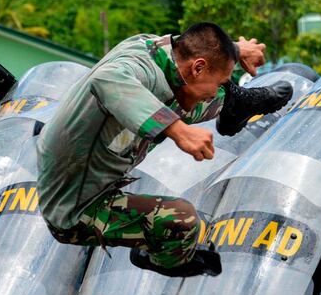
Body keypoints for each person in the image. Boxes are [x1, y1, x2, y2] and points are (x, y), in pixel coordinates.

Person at [36, 22, 294, 277]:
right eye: (221, 81)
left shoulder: (160, 51)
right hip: (74, 208)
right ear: (198, 67)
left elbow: (192, 45)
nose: (218, 87)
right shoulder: (133, 71)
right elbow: (107, 77)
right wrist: (178, 130)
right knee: (183, 221)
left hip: (95, 166)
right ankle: (158, 256)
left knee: (194, 94)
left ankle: (234, 104)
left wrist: (236, 50)